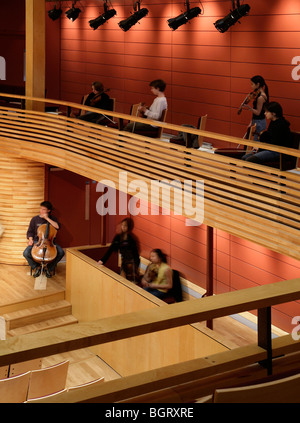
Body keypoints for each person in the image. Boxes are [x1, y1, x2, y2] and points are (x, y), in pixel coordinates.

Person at [23, 201, 65, 278]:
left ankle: (49, 268)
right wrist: (30, 240)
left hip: (50, 242)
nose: (41, 211)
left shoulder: (53, 219)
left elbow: (57, 227)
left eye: (43, 209)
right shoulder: (34, 219)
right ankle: (37, 267)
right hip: (37, 242)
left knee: (61, 252)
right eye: (41, 209)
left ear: (48, 210)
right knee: (26, 253)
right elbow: (30, 231)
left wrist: (46, 218)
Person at [98, 218, 140, 283]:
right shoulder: (118, 237)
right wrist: (102, 260)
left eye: (125, 225)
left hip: (132, 263)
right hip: (124, 261)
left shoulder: (132, 239)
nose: (123, 227)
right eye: (122, 225)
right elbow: (111, 249)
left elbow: (136, 254)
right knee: (121, 281)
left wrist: (136, 268)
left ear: (129, 227)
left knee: (131, 283)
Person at [242, 75, 269, 140]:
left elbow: (258, 112)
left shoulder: (261, 97)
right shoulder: (258, 94)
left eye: (252, 84)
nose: (251, 86)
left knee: (256, 142)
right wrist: (251, 122)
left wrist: (249, 107)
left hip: (259, 122)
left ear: (258, 84)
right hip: (257, 120)